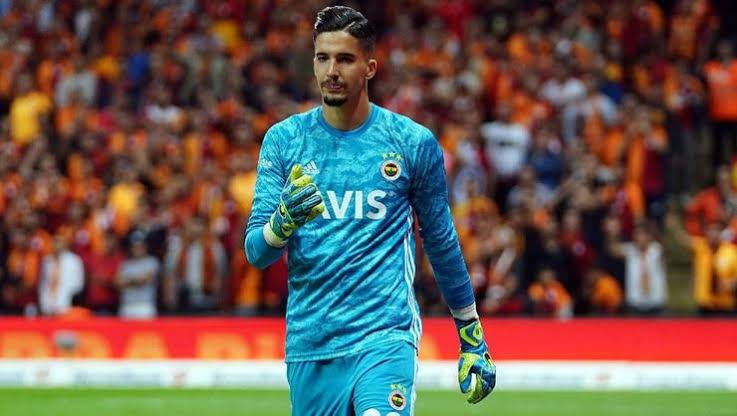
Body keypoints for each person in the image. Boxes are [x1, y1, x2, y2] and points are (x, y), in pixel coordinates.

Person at [245, 6, 495, 415]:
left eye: (345, 59)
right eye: (323, 58)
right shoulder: (284, 141)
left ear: (370, 67)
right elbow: (256, 252)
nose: (332, 71)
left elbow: (441, 242)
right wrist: (281, 224)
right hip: (311, 346)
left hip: (385, 337)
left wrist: (471, 335)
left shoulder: (411, 143)